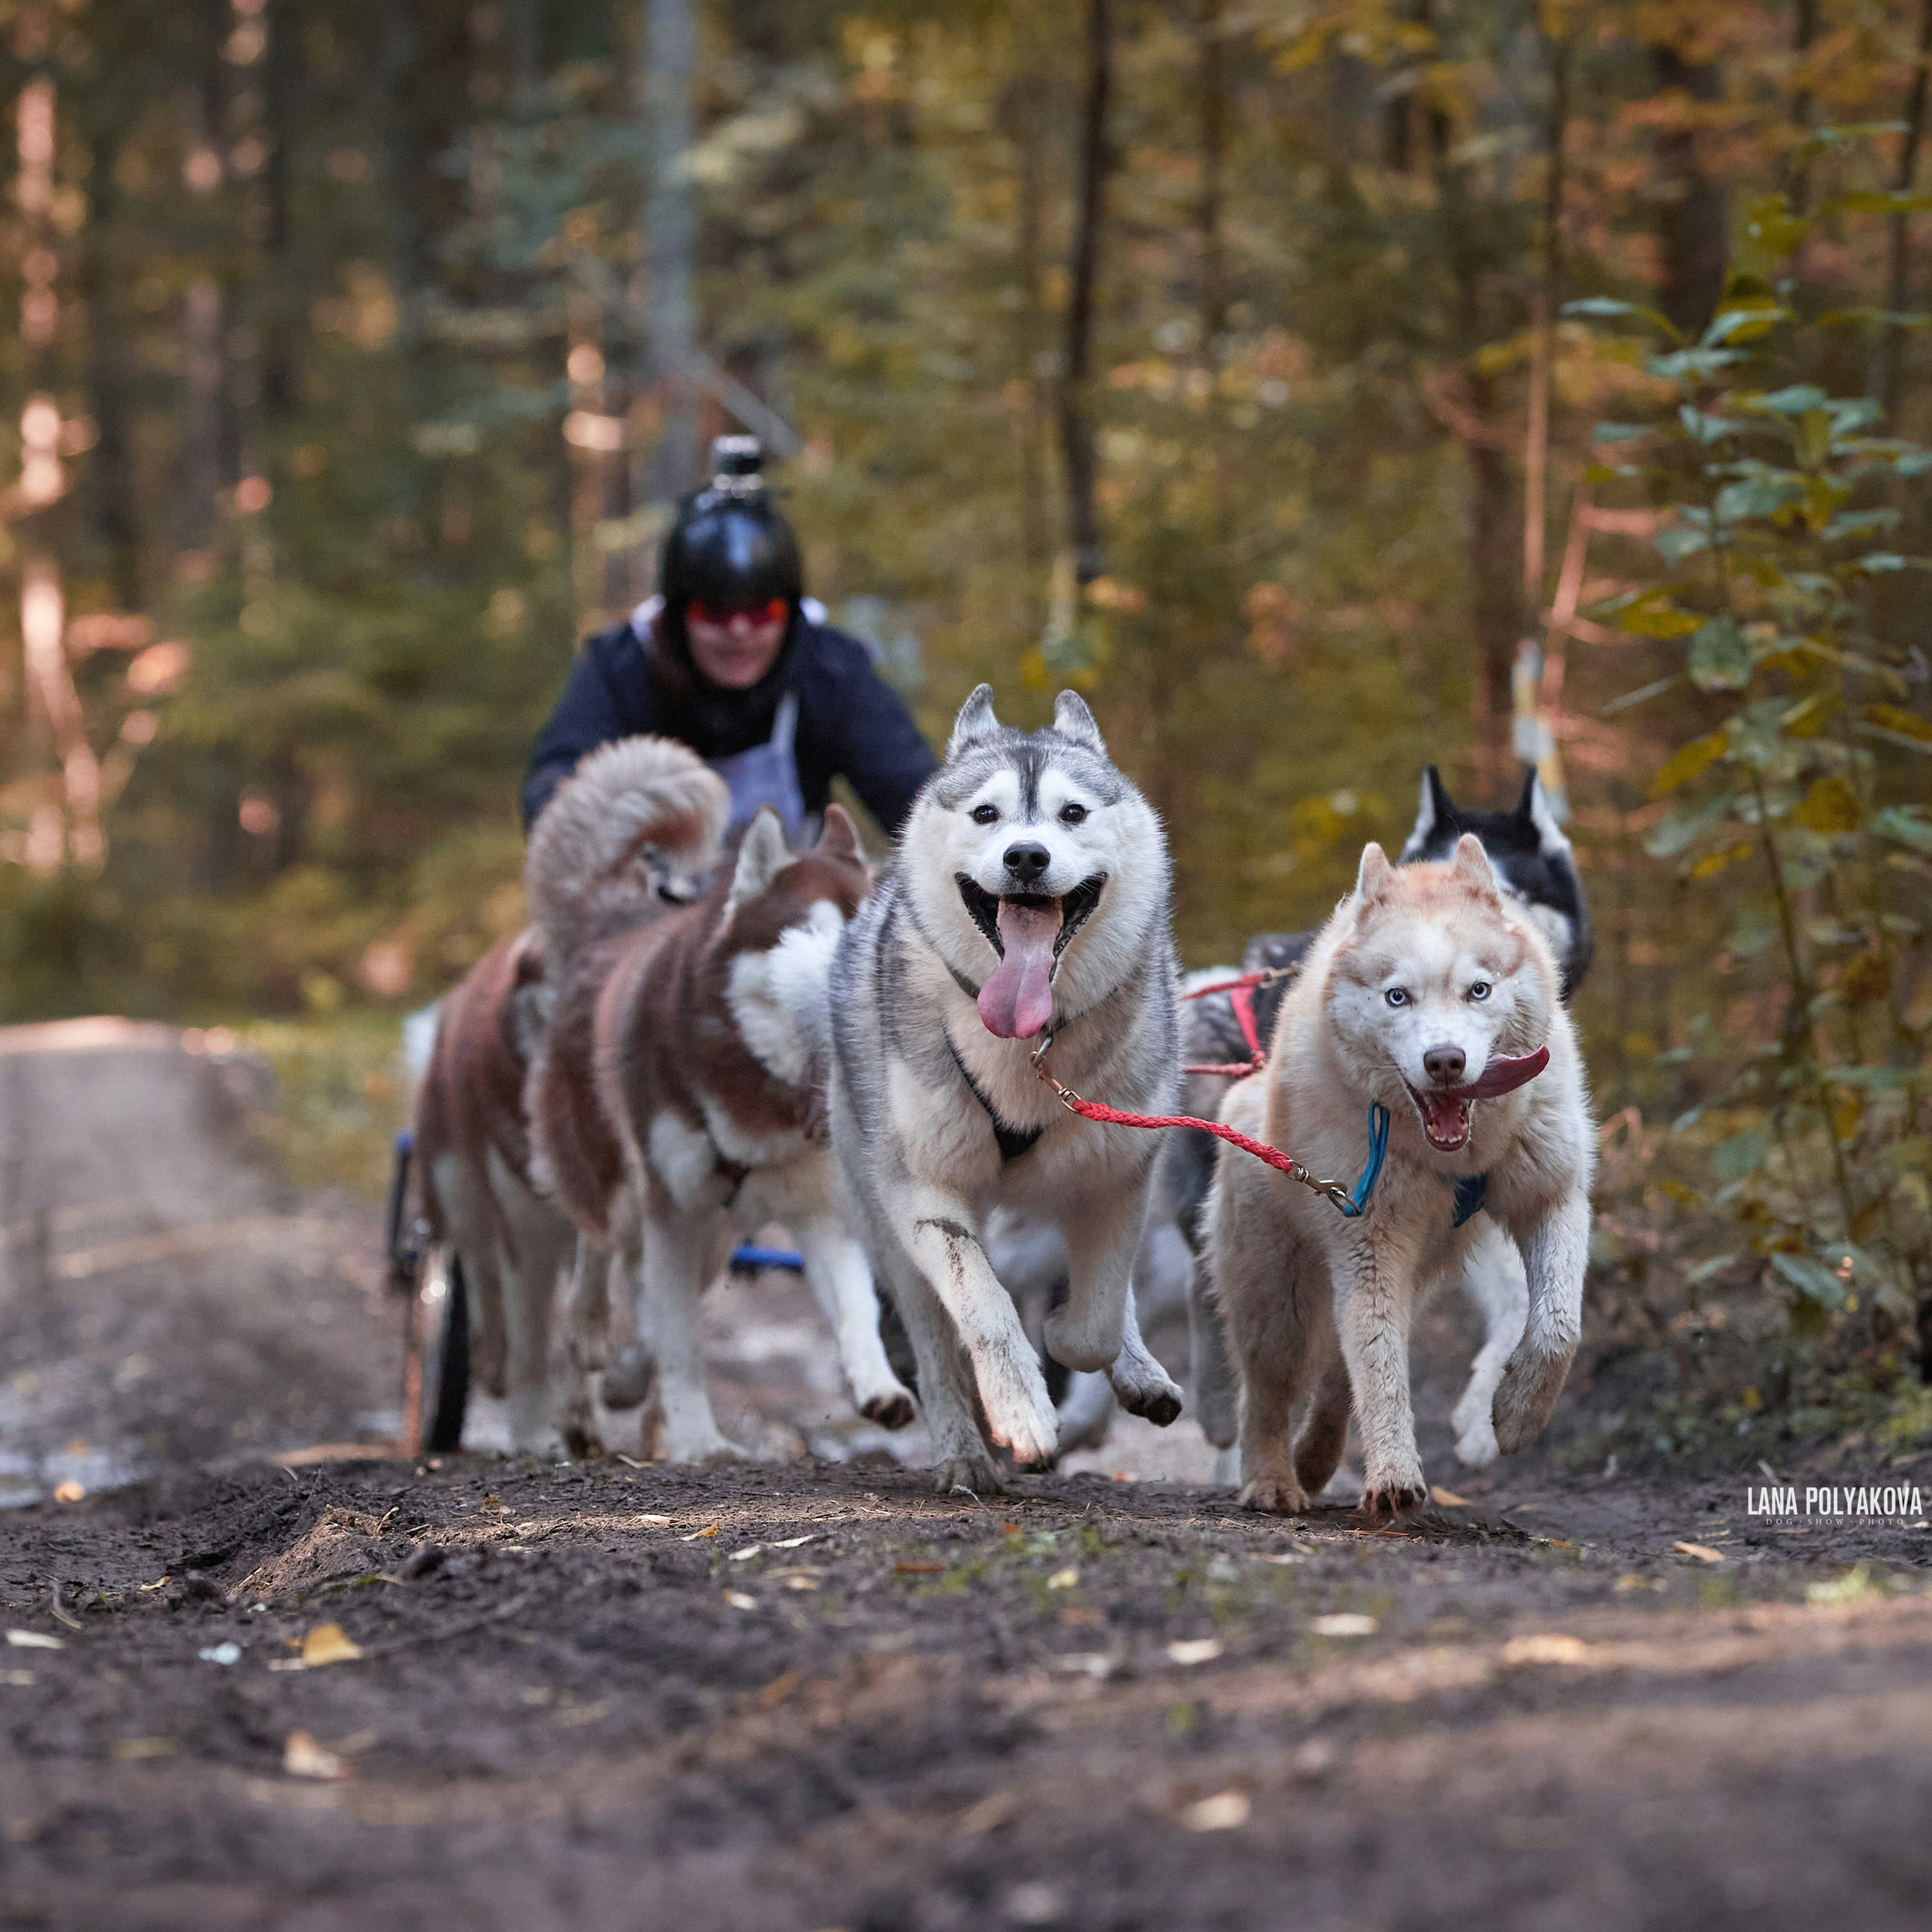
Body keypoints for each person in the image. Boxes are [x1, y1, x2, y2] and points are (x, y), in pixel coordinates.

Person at [521, 437, 936, 842]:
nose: (739, 632)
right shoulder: (620, 668)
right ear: (677, 615)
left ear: (791, 615)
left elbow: (919, 803)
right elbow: (554, 797)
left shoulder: (829, 668)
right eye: (714, 612)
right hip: (653, 902)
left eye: (762, 612)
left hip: (794, 900)